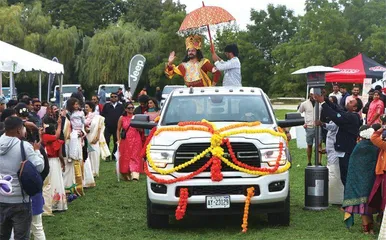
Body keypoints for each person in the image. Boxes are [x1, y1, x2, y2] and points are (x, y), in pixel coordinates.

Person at [0, 116, 44, 239]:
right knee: (21, 237)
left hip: (1, 198)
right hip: (20, 200)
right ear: (19, 130)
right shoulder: (24, 146)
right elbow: (39, 167)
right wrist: (37, 152)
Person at [314, 92, 363, 187]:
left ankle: (351, 199)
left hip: (346, 150)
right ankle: (348, 197)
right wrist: (326, 99)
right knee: (344, 176)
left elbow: (335, 116)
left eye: (351, 102)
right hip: (343, 149)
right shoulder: (348, 114)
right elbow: (337, 109)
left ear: (354, 108)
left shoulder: (351, 117)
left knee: (346, 176)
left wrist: (322, 103)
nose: (348, 101)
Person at [343, 125, 378, 234]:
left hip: (358, 182)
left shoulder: (359, 147)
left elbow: (353, 166)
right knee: (369, 206)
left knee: (363, 208)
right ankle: (370, 228)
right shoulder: (375, 147)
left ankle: (367, 229)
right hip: (371, 181)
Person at [116, 103, 143, 181]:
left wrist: (137, 126)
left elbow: (141, 130)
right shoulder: (122, 118)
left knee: (135, 156)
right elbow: (118, 129)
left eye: (132, 108)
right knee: (125, 157)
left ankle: (135, 174)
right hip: (126, 140)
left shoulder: (136, 117)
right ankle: (126, 173)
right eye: (129, 108)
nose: (131, 109)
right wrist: (118, 139)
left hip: (136, 139)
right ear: (125, 109)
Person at [298, 88, 322, 166]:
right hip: (309, 126)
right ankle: (309, 161)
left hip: (318, 126)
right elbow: (300, 113)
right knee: (309, 144)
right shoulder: (304, 104)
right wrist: (303, 123)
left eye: (314, 94)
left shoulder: (320, 103)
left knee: (319, 144)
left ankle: (319, 162)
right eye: (312, 94)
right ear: (310, 94)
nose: (313, 96)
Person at [101, 92, 124, 161]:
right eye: (112, 97)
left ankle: (114, 155)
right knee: (106, 141)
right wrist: (106, 122)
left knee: (116, 142)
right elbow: (103, 115)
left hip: (117, 127)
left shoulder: (120, 106)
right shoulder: (106, 105)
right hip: (108, 127)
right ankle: (107, 155)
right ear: (110, 98)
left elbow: (122, 115)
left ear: (117, 97)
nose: (113, 98)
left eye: (115, 96)